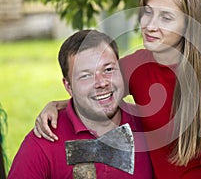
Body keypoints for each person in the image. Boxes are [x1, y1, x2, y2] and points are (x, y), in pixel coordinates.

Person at [34, 0, 201, 178]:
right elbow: (98, 92)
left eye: (166, 17)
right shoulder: (135, 66)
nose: (150, 25)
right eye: (147, 12)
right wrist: (55, 105)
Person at [8, 30, 153, 179]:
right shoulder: (43, 142)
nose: (101, 82)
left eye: (108, 69)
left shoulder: (149, 126)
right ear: (68, 86)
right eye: (86, 76)